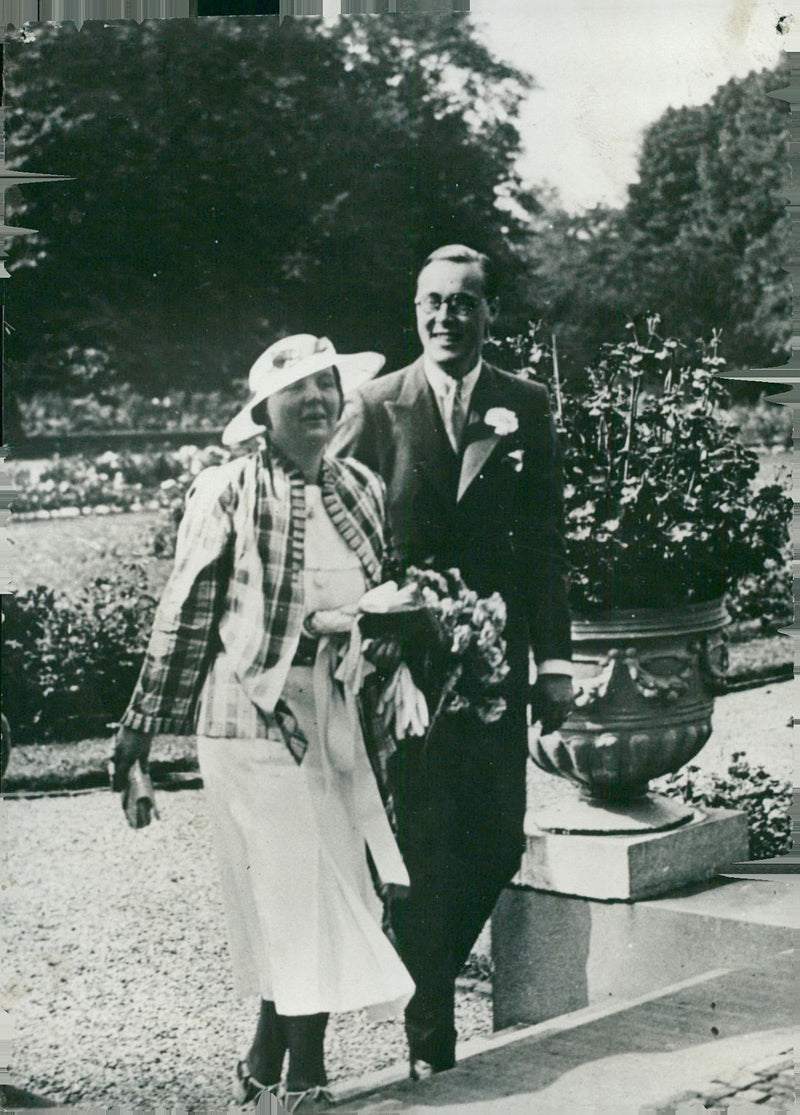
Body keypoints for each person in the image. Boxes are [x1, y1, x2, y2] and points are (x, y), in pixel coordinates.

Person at [112, 334, 415, 1113]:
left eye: (326, 387)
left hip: (337, 714)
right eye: (297, 392)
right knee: (293, 890)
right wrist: (138, 735)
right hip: (250, 720)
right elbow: (185, 616)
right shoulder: (229, 489)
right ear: (263, 412)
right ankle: (307, 1079)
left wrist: (387, 633)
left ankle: (259, 1059)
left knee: (331, 880)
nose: (316, 401)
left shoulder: (360, 488)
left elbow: (381, 596)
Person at [330, 245, 574, 1077]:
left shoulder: (524, 406)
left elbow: (545, 543)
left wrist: (555, 663)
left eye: (464, 302)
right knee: (418, 842)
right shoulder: (373, 405)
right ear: (415, 309)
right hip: (405, 671)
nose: (446, 317)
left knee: (499, 840)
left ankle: (419, 981)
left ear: (490, 313)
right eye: (433, 301)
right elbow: (341, 532)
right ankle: (431, 1019)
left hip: (494, 667)